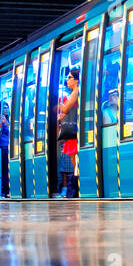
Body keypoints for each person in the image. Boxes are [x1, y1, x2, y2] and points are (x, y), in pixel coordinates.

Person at [56, 68, 79, 198]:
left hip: (73, 131)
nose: (67, 79)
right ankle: (73, 189)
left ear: (76, 80)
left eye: (70, 77)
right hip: (72, 129)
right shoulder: (73, 93)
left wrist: (59, 103)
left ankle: (75, 190)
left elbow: (65, 108)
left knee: (75, 161)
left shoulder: (75, 92)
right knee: (73, 160)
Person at [0, 99, 11, 197]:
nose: (6, 109)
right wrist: (1, 123)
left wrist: (6, 123)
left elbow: (13, 129)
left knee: (7, 169)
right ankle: (4, 190)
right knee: (3, 170)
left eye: (7, 107)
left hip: (9, 146)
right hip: (1, 147)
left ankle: (7, 189)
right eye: (4, 108)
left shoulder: (9, 119)